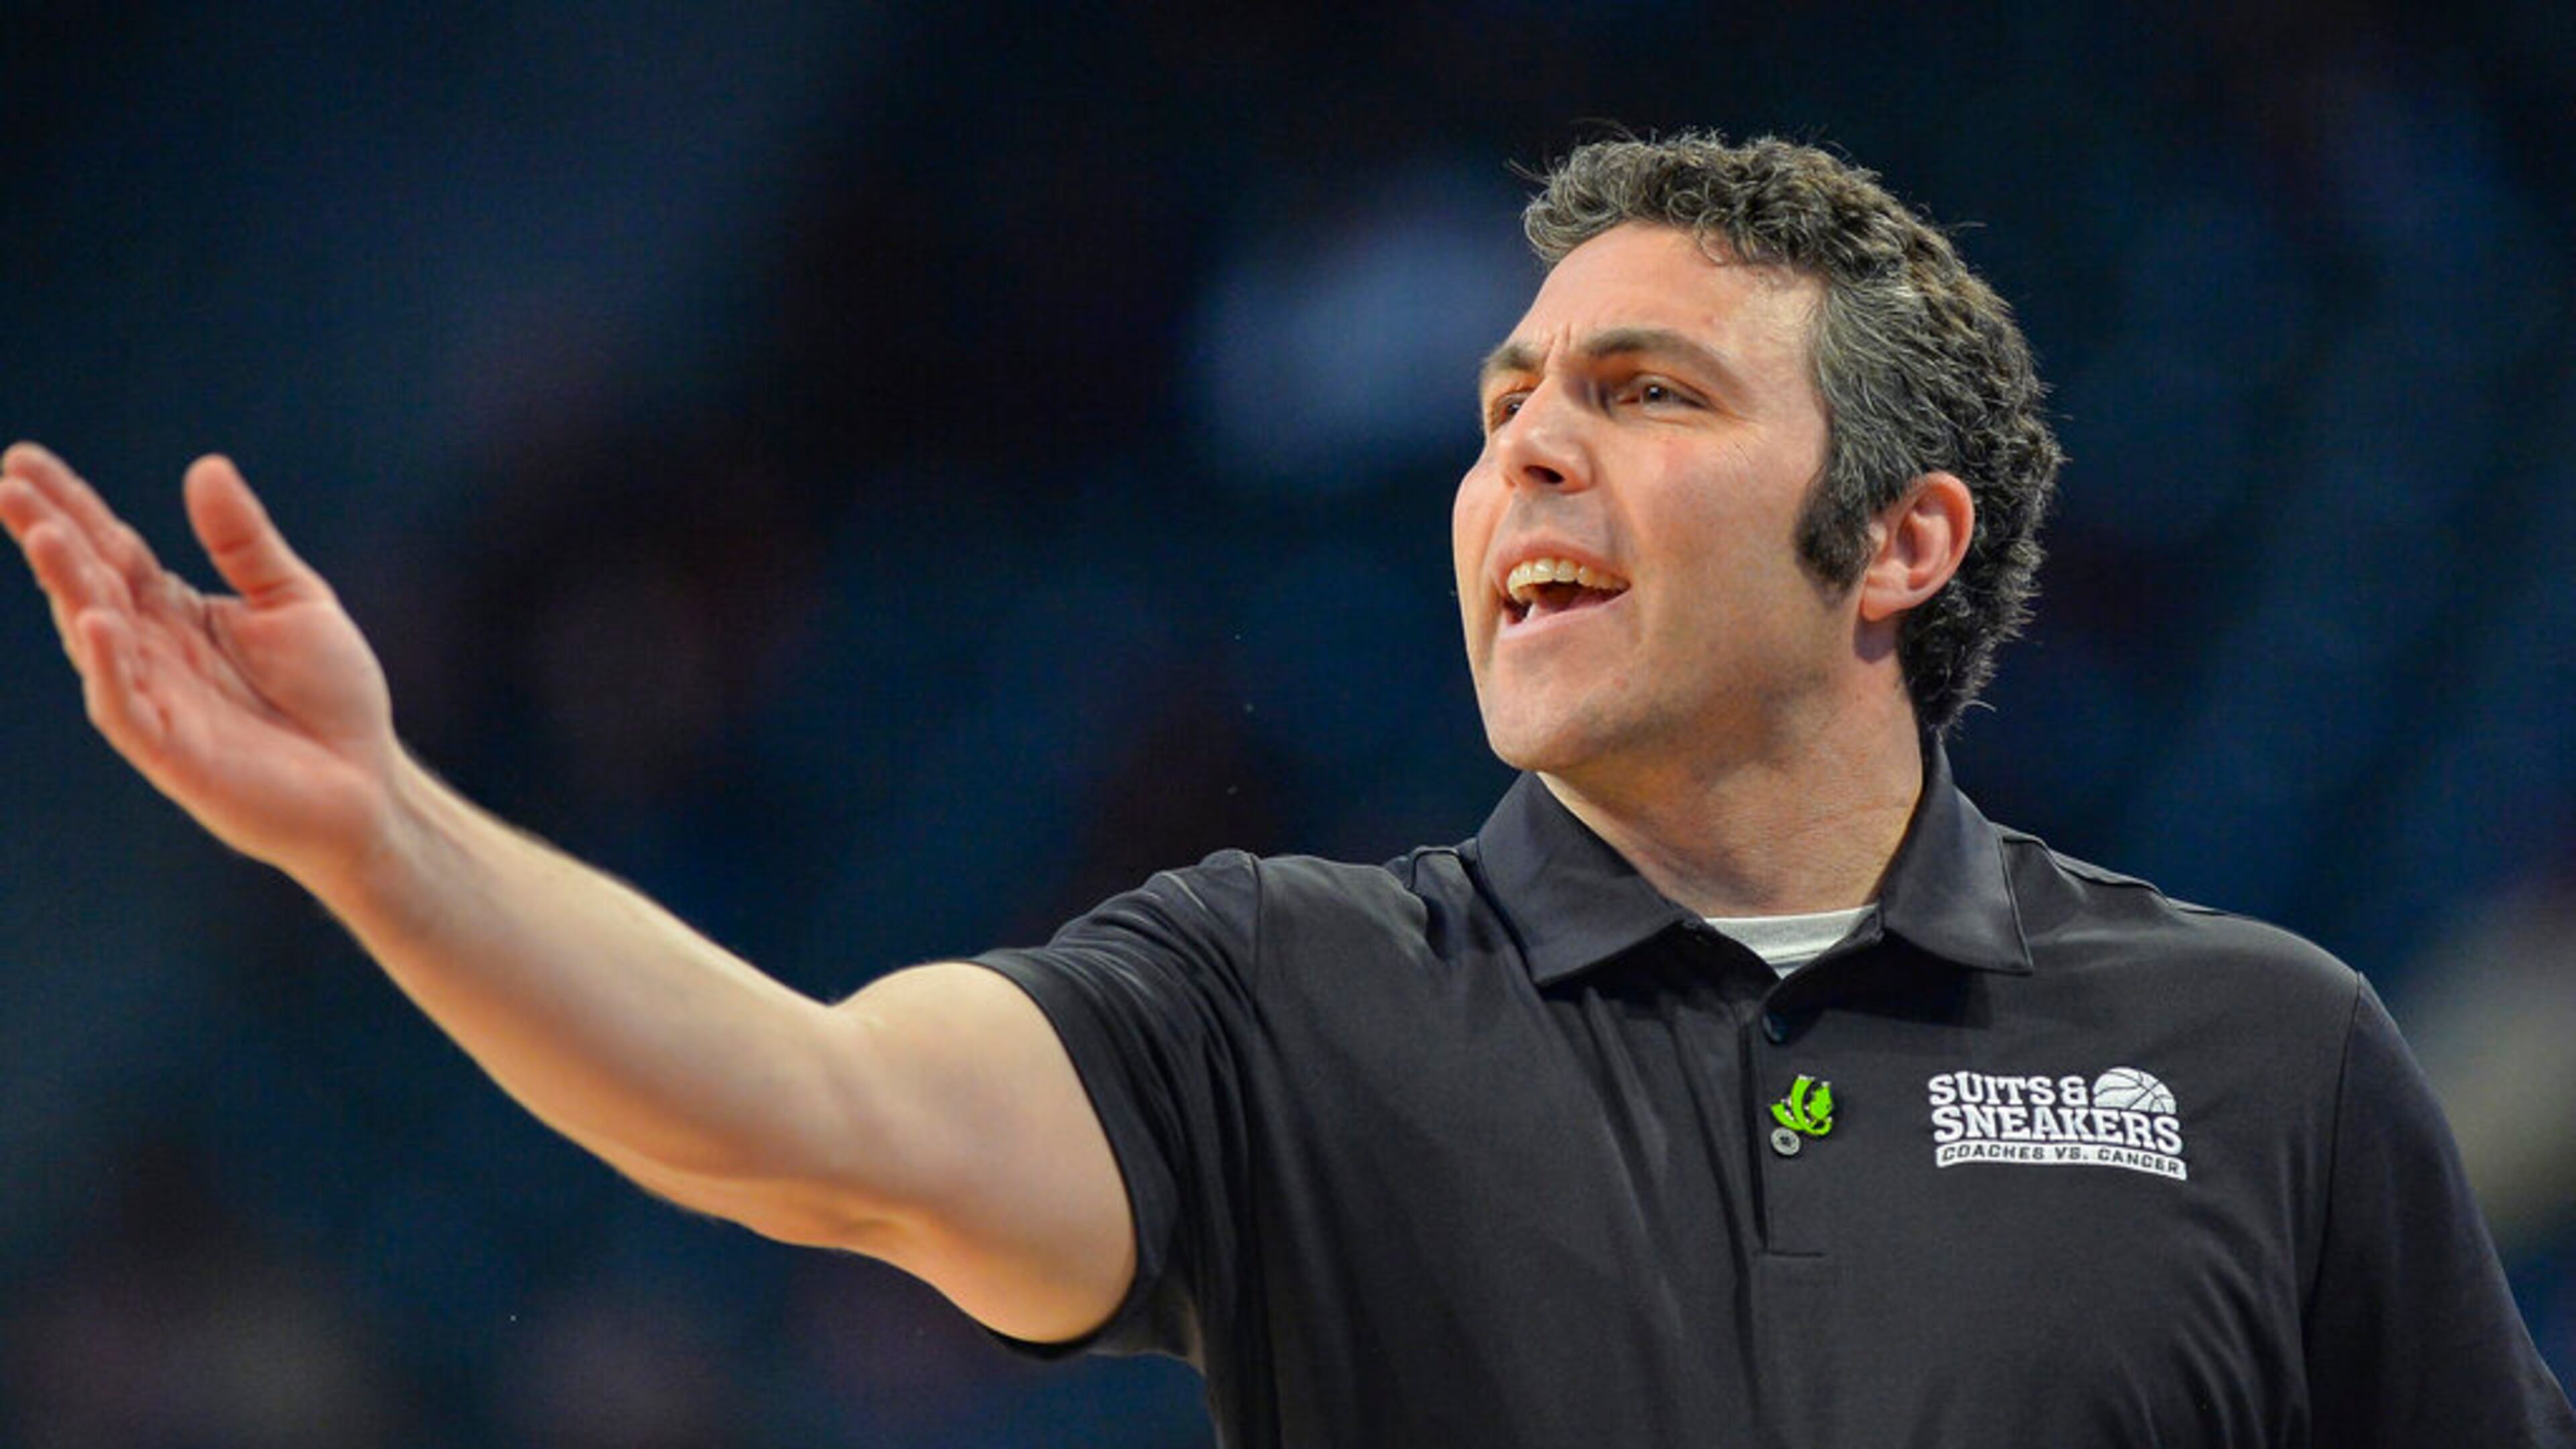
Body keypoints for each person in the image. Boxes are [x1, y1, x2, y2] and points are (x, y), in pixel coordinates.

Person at [4, 131, 2569, 1448]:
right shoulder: (1289, 996)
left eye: (1644, 397)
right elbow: (810, 1114)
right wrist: (382, 831)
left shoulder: (2259, 1060)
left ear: (1899, 540)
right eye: (1501, 414)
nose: (1531, 462)